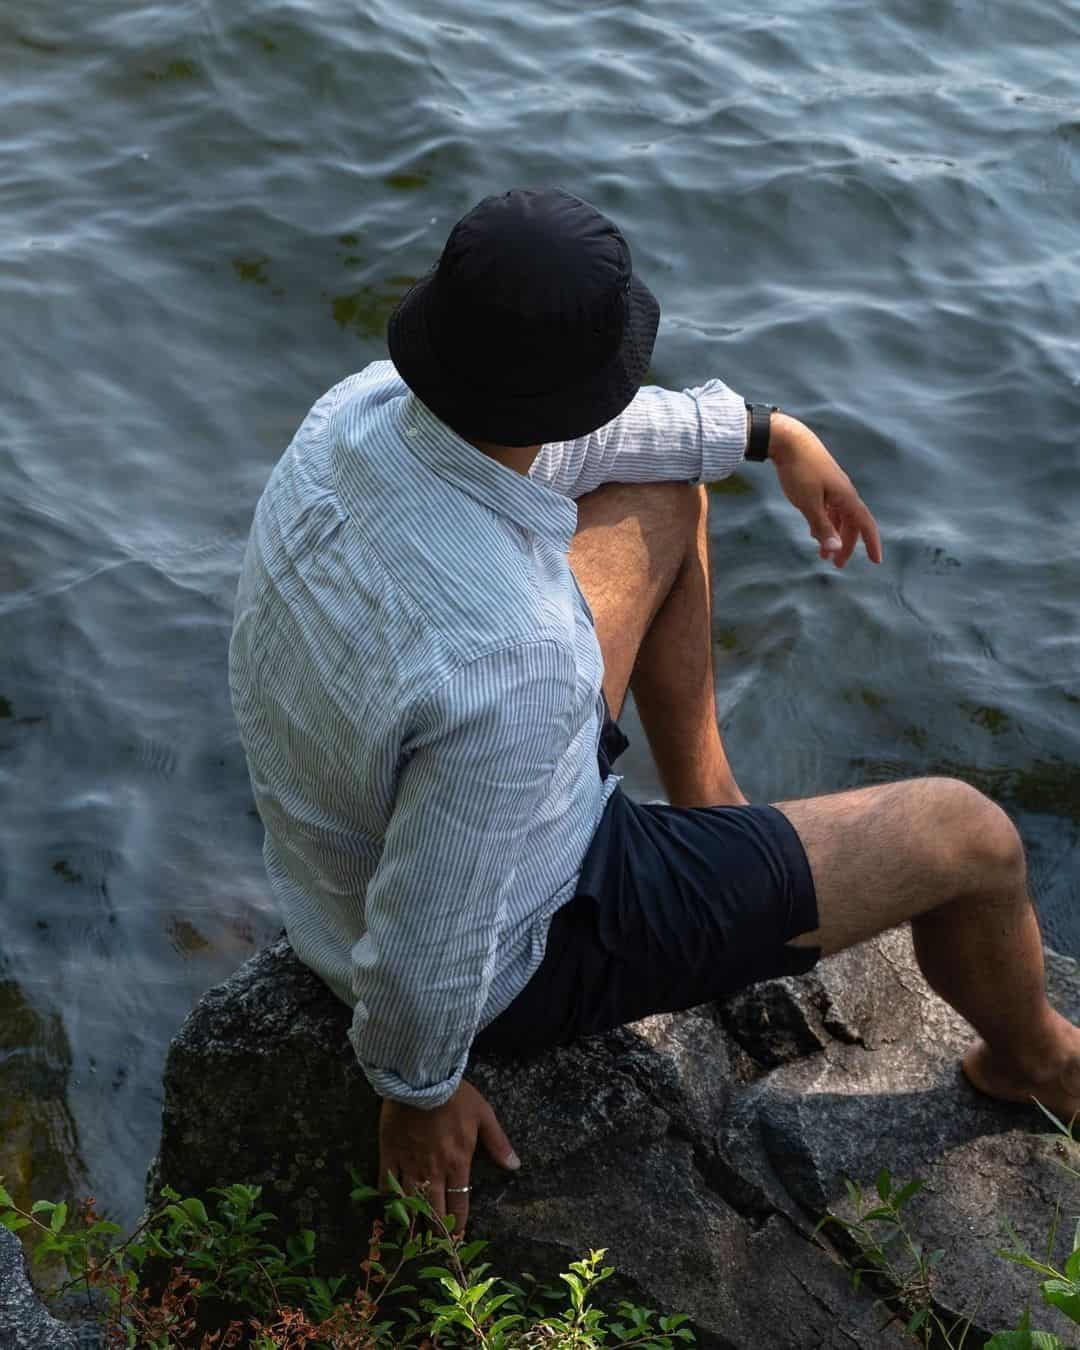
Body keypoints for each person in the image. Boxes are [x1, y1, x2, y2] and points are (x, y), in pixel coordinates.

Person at [229, 187, 1080, 1236]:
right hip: (524, 940)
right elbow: (434, 931)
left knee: (672, 485)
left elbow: (590, 443)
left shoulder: (353, 413)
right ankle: (1038, 1060)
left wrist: (766, 434)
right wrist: (419, 1093)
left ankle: (708, 802)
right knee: (972, 838)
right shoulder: (517, 663)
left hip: (342, 839)